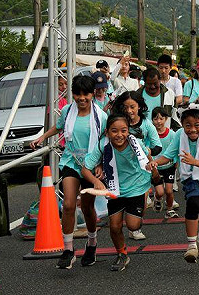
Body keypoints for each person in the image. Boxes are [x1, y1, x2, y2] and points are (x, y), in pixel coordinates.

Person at [29, 75, 107, 269]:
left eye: (86, 94)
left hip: (90, 166)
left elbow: (106, 142)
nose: (82, 98)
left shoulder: (101, 117)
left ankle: (92, 243)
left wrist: (101, 165)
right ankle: (68, 250)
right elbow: (59, 127)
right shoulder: (67, 111)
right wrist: (42, 138)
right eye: (77, 94)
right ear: (72, 94)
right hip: (71, 162)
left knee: (88, 208)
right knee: (69, 205)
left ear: (92, 94)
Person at [81, 114, 151, 272]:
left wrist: (151, 168)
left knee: (133, 226)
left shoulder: (136, 143)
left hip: (136, 187)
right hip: (115, 188)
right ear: (107, 132)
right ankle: (122, 254)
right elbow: (85, 169)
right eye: (114, 131)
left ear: (128, 131)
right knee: (114, 226)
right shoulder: (102, 145)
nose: (119, 135)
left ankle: (145, 198)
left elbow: (148, 158)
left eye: (123, 130)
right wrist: (96, 181)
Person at [153, 107, 199, 263]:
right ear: (182, 124)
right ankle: (191, 245)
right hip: (190, 178)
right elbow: (168, 155)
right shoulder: (179, 135)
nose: (192, 129)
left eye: (197, 125)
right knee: (193, 201)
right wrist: (154, 162)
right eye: (188, 125)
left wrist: (194, 161)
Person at [110, 90, 161, 240]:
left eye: (132, 107)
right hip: (121, 167)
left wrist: (146, 151)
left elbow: (158, 145)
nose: (129, 111)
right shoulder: (118, 122)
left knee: (142, 205)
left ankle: (135, 227)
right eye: (125, 107)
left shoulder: (146, 124)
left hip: (142, 169)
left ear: (139, 106)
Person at [150, 107, 179, 217]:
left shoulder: (172, 134)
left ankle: (170, 210)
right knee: (160, 192)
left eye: (161, 119)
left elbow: (176, 149)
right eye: (156, 119)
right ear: (152, 120)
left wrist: (176, 162)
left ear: (166, 119)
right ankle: (157, 198)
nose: (158, 122)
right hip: (156, 167)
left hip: (169, 166)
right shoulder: (151, 135)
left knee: (169, 190)